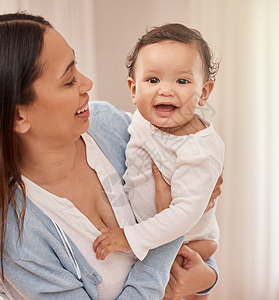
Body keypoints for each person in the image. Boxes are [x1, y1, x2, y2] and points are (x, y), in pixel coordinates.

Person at [0, 13, 221, 300]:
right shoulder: (18, 241)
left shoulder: (110, 125)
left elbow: (197, 244)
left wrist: (205, 278)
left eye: (76, 67)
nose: (86, 83)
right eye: (68, 80)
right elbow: (174, 233)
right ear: (18, 115)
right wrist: (170, 230)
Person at [93, 24, 224, 298]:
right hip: (154, 237)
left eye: (182, 81)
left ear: (204, 92)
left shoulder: (198, 150)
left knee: (178, 281)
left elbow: (185, 215)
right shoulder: (141, 118)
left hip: (191, 239)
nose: (166, 90)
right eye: (153, 80)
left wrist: (130, 237)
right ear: (133, 88)